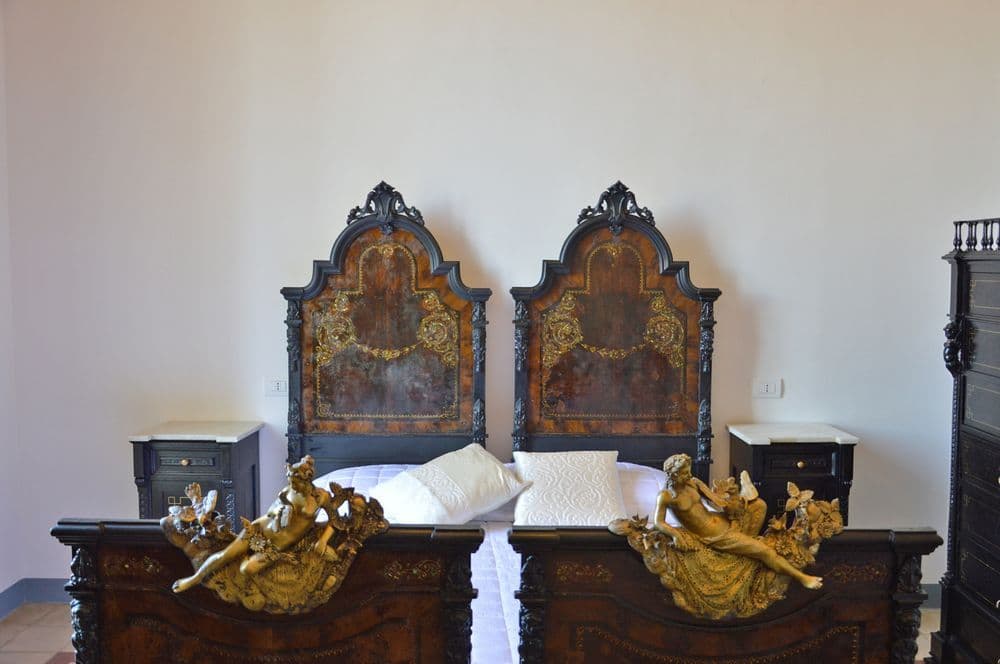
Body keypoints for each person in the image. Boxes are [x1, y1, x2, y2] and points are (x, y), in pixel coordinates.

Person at [653, 453, 823, 590]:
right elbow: (658, 522)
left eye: (689, 471)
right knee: (765, 551)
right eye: (684, 473)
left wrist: (734, 499)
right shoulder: (666, 496)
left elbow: (718, 502)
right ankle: (802, 578)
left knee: (759, 505)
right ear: (673, 475)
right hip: (715, 536)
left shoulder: (693, 483)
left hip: (721, 520)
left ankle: (748, 544)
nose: (689, 475)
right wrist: (674, 534)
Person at [172, 455, 334, 593]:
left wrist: (323, 540)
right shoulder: (287, 491)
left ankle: (240, 556)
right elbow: (270, 512)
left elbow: (334, 520)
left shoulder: (321, 497)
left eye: (295, 483)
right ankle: (194, 579)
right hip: (260, 528)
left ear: (307, 479)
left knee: (246, 569)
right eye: (290, 481)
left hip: (276, 546)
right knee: (225, 554)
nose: (292, 485)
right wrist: (279, 511)